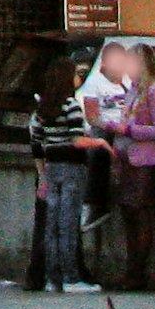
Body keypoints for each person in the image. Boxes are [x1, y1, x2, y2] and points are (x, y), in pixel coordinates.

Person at [88, 40, 155, 288]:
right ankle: (130, 269)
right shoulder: (134, 89)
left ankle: (138, 272)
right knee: (128, 214)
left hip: (144, 160)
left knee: (139, 214)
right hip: (126, 159)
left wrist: (126, 129)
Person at [29, 48, 101, 296]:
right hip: (72, 167)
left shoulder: (41, 109)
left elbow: (37, 145)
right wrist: (100, 143)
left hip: (50, 167)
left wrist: (42, 177)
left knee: (51, 225)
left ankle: (52, 278)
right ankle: (71, 276)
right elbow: (77, 140)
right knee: (68, 224)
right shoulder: (71, 106)